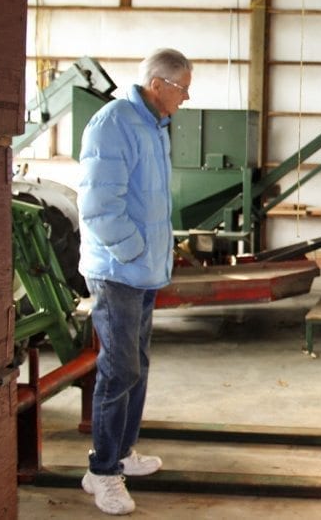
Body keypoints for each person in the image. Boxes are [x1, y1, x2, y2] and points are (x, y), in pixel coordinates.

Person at [76, 48, 193, 515]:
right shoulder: (114, 124)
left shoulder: (153, 125)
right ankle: (102, 472)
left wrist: (153, 257)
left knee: (136, 367)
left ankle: (121, 455)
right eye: (183, 88)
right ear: (159, 85)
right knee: (118, 370)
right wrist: (134, 252)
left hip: (140, 272)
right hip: (117, 271)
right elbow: (99, 205)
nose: (186, 98)